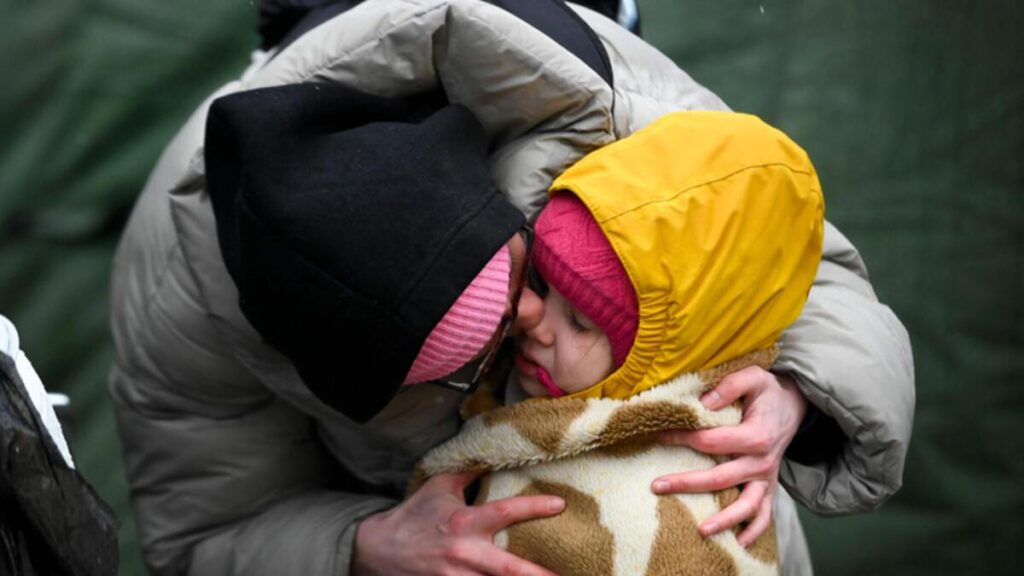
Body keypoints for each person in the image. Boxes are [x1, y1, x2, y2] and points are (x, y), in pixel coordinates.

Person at [109, 2, 913, 575]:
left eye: (525, 283)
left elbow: (796, 246)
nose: (529, 328)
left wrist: (796, 392)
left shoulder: (586, 94)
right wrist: (361, 547)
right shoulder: (179, 311)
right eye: (473, 356)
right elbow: (202, 536)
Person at [414, 110, 823, 575]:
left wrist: (797, 393)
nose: (533, 320)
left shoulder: (687, 507)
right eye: (541, 284)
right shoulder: (543, 382)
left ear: (664, 357)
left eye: (580, 323)